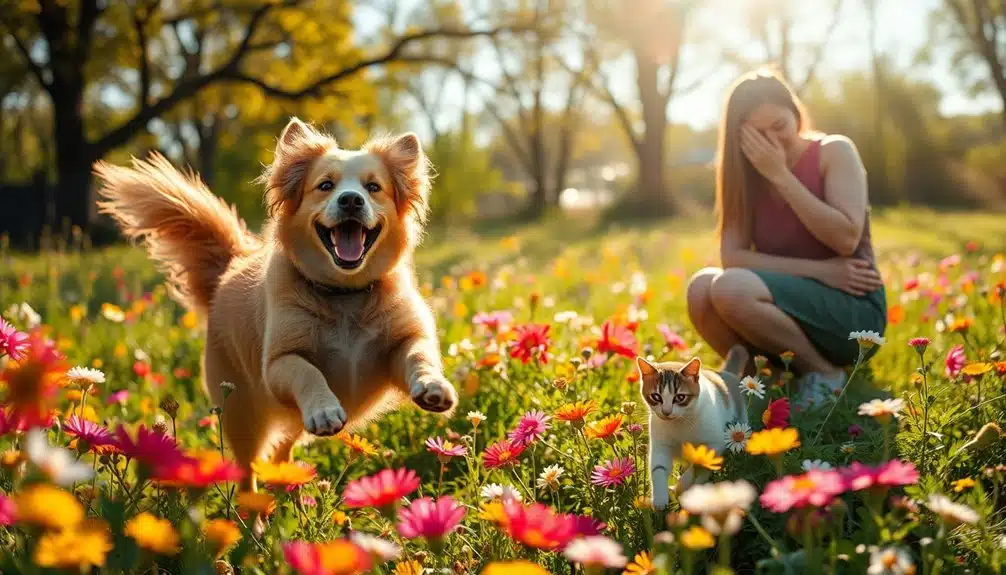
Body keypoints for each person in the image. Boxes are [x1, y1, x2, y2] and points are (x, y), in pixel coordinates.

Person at [686, 69, 887, 406]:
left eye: (779, 127)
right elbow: (732, 257)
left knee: (730, 288)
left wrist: (781, 176)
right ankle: (757, 380)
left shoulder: (834, 151)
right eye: (759, 136)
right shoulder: (744, 174)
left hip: (852, 308)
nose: (773, 143)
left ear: (795, 113)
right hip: (805, 294)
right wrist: (820, 271)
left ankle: (823, 374)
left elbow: (845, 241)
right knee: (701, 289)